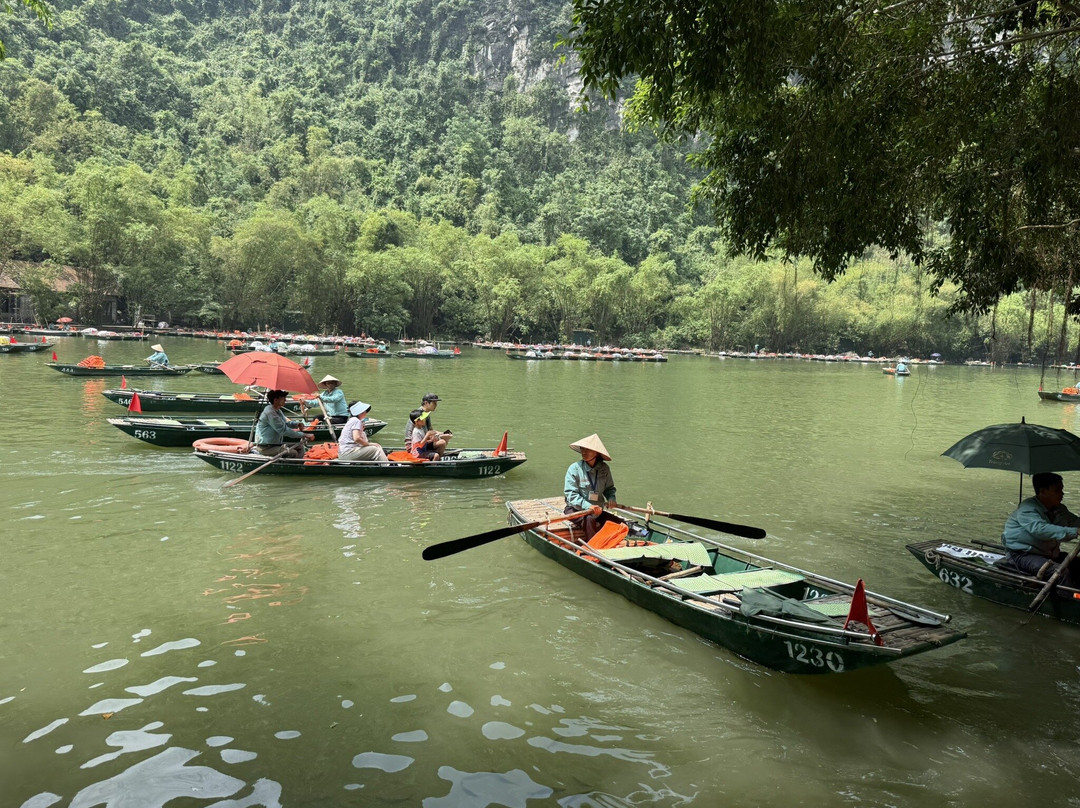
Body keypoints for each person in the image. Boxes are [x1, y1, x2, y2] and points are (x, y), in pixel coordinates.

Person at [1002, 472, 1080, 586]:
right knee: (1060, 573)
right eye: (1057, 490)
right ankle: (1066, 601)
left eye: (1062, 490)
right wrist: (1075, 531)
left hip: (1047, 554)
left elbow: (1074, 521)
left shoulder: (1059, 509)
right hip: (1022, 554)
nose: (1062, 494)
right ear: (1042, 491)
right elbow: (1041, 530)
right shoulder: (1027, 508)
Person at [563, 433, 621, 541]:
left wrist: (611, 498)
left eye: (587, 449)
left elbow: (609, 488)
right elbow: (571, 494)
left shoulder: (604, 469)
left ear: (596, 452)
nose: (584, 452)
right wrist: (588, 506)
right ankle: (594, 550)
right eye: (582, 449)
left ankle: (614, 545)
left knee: (618, 523)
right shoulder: (574, 469)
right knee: (590, 520)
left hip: (597, 510)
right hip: (576, 510)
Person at [254, 390, 314, 458]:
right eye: (283, 398)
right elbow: (284, 430)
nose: (285, 400)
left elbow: (285, 423)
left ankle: (299, 465)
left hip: (275, 445)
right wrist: (304, 435)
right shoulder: (270, 413)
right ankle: (293, 466)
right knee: (292, 453)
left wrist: (296, 424)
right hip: (266, 447)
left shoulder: (277, 410)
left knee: (300, 447)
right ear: (276, 400)